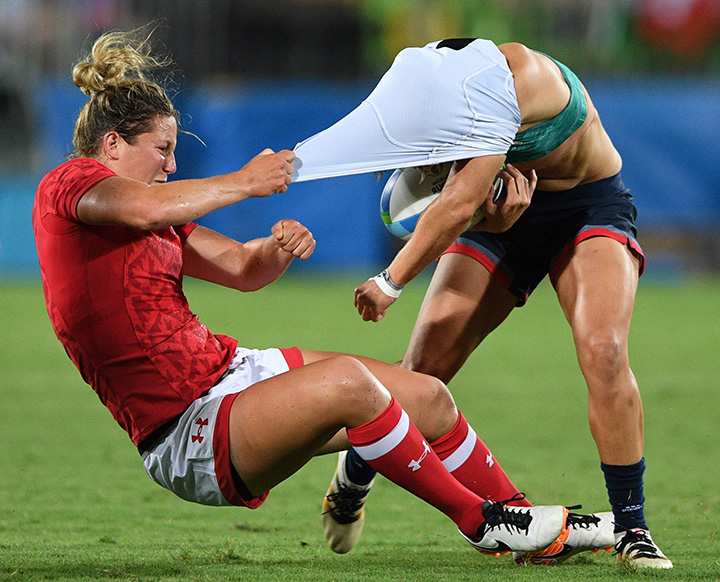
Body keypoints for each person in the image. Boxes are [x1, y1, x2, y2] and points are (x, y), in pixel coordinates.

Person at [32, 28, 574, 561]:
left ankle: (524, 517)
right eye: (162, 149)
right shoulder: (69, 184)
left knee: (427, 396)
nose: (171, 165)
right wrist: (246, 181)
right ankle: (482, 522)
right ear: (111, 145)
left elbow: (244, 268)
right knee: (352, 386)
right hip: (185, 430)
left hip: (229, 375)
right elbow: (149, 207)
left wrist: (276, 248)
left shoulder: (156, 218)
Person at [291, 38, 672, 569]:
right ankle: (353, 476)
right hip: (501, 214)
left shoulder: (502, 85)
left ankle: (632, 527)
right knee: (422, 374)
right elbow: (421, 172)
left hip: (586, 205)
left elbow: (459, 200)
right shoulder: (432, 80)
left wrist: (390, 282)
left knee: (605, 350)